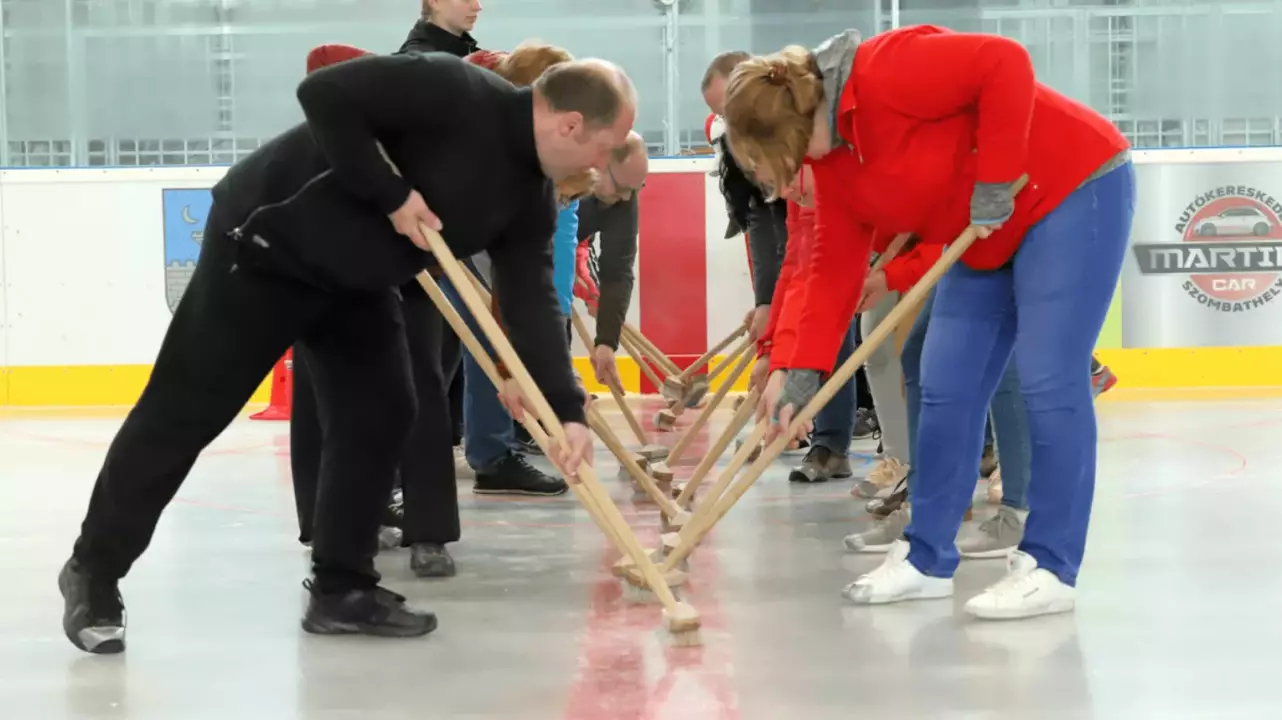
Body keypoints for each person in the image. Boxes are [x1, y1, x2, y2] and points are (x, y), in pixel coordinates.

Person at [59, 52, 637, 654]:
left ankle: (342, 588)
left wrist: (564, 408)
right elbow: (324, 92)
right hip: (264, 247)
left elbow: (530, 297)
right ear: (570, 124)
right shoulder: (453, 87)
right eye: (606, 146)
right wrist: (391, 193)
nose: (604, 164)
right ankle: (93, 572)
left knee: (383, 409)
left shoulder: (528, 196)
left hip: (354, 278)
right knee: (184, 412)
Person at [724, 25, 1133, 619]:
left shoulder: (885, 69)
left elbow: (1004, 61)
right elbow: (830, 272)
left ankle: (1050, 564)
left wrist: (995, 175)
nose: (778, 183)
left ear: (785, 132)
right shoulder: (833, 167)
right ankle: (926, 558)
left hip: (1068, 188)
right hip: (983, 232)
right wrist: (799, 372)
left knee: (1048, 377)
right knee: (945, 385)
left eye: (769, 165)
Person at [290, 43, 577, 583]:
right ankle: (327, 524)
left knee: (420, 387)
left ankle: (430, 530)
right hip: (331, 274)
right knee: (321, 395)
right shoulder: (326, 145)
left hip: (414, 271)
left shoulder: (440, 126)